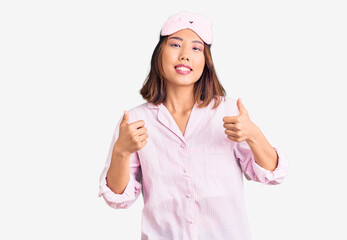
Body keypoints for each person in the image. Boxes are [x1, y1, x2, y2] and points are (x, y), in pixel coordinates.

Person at [98, 11, 289, 240]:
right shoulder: (136, 121)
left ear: (205, 61)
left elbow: (273, 174)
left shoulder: (228, 112)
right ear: (159, 54)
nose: (185, 55)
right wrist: (122, 151)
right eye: (175, 45)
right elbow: (117, 197)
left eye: (196, 48)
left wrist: (253, 134)